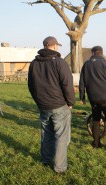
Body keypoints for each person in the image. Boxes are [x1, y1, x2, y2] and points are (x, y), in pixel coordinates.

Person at [28, 36, 75, 174]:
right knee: (61, 136)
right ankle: (60, 167)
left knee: (46, 134)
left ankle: (46, 159)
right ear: (54, 46)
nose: (58, 47)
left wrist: (38, 101)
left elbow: (31, 86)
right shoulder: (59, 62)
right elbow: (67, 83)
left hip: (43, 106)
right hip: (59, 105)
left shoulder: (34, 63)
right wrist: (70, 102)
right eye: (57, 46)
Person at [79, 46, 106, 152]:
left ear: (92, 53)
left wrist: (82, 97)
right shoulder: (104, 64)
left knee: (96, 120)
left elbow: (82, 82)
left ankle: (96, 143)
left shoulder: (86, 64)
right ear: (101, 53)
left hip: (93, 99)